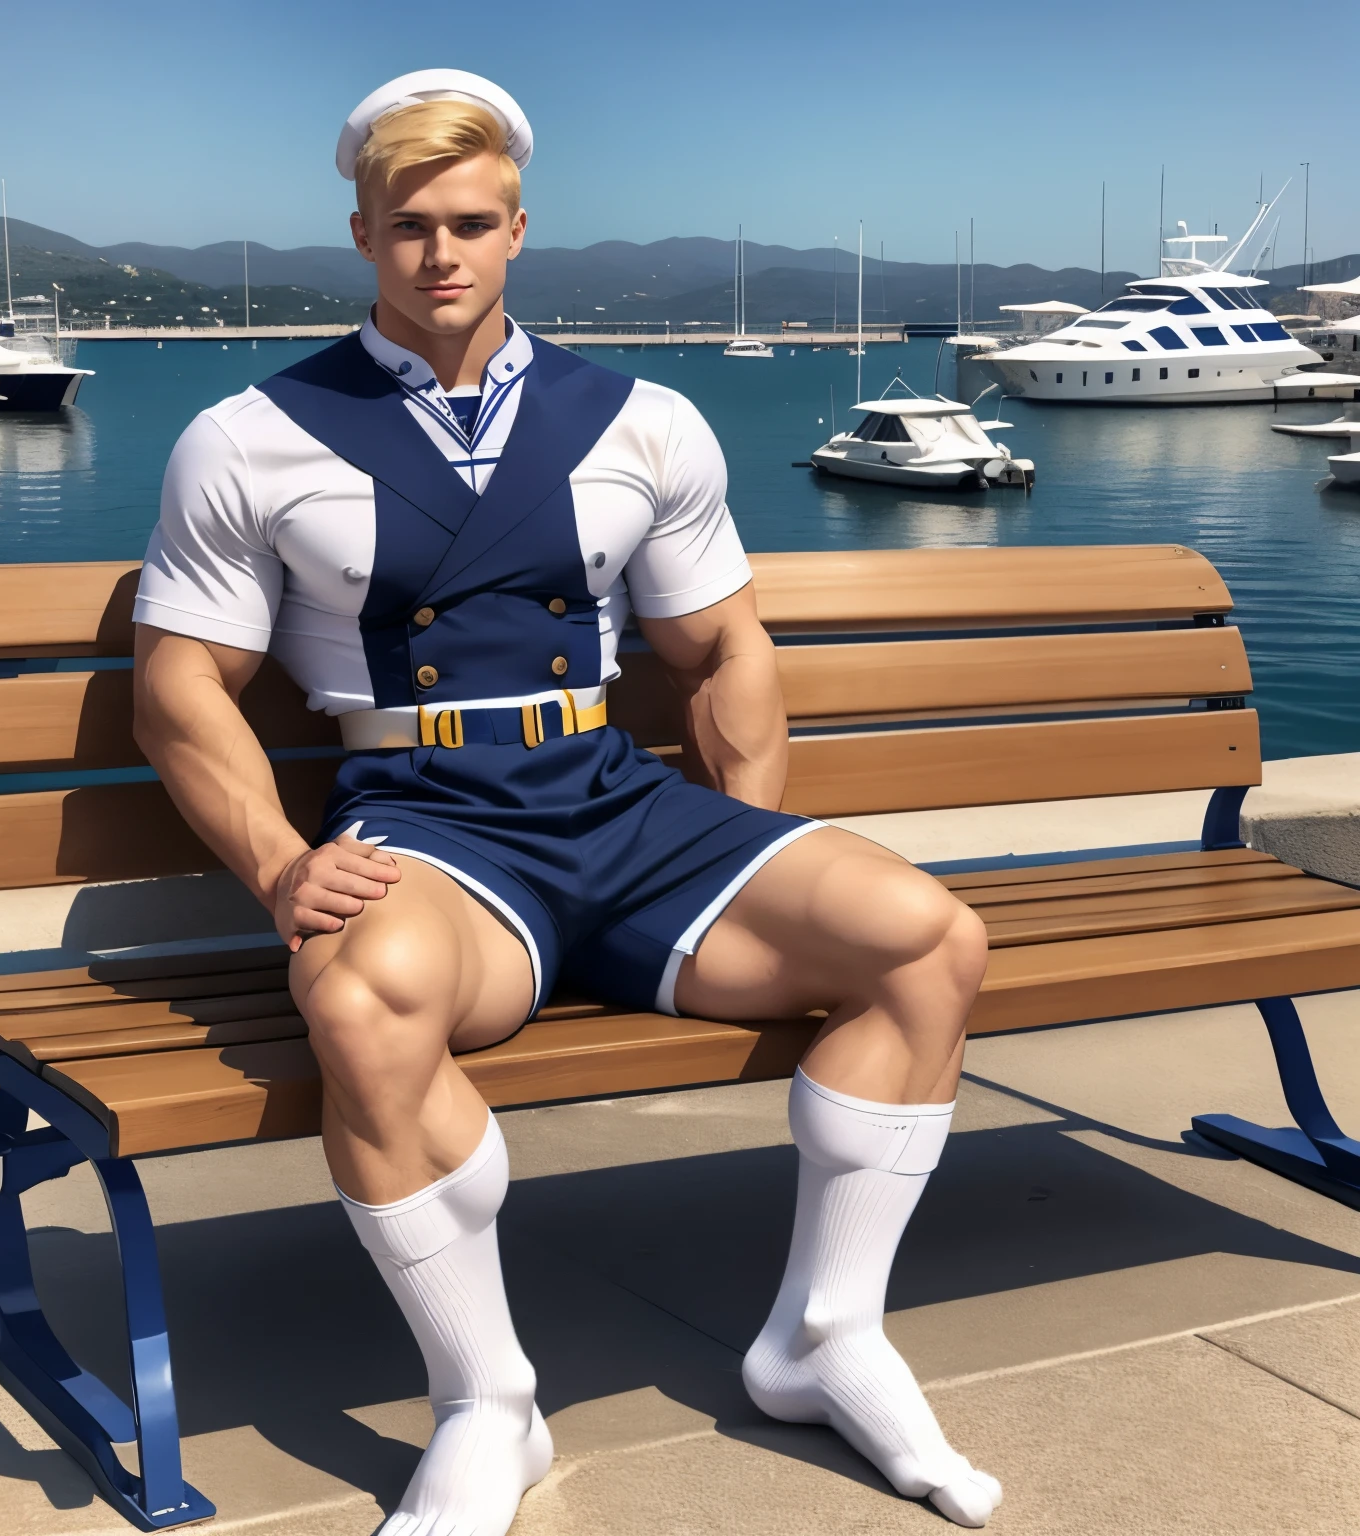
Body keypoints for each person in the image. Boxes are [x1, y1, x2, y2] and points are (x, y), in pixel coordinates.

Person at [132, 69, 1000, 1534]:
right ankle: (489, 1403)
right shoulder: (250, 436)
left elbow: (722, 648)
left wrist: (750, 838)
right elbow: (180, 687)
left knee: (929, 938)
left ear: (521, 228)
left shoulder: (645, 419)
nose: (444, 254)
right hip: (431, 821)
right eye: (410, 226)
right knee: (359, 1005)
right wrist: (284, 870)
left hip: (618, 805)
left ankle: (824, 1337)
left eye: (473, 223)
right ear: (361, 233)